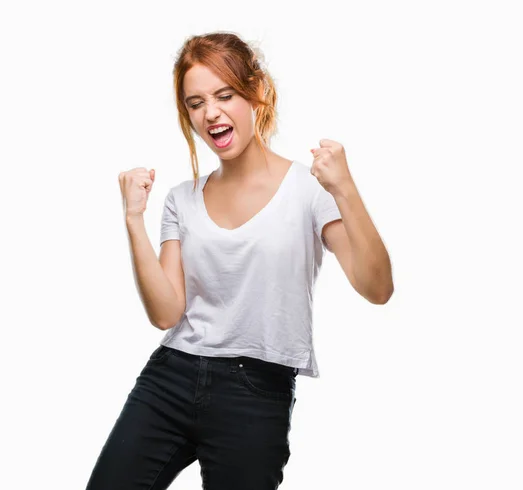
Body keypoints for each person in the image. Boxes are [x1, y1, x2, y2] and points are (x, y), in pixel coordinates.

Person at [87, 31, 393, 490]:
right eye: (195, 103)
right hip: (170, 376)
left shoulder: (309, 189)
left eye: (224, 95)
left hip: (257, 391)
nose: (210, 113)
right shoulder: (181, 199)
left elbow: (378, 288)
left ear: (258, 93)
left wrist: (345, 188)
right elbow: (166, 313)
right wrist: (134, 220)